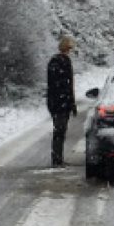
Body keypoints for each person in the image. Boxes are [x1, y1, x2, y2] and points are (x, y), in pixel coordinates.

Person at [47, 36, 77, 167]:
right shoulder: (63, 61)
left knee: (59, 130)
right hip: (61, 102)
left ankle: (58, 157)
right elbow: (68, 85)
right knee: (60, 131)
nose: (70, 51)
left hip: (56, 101)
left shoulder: (54, 61)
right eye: (69, 48)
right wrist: (71, 102)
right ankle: (57, 159)